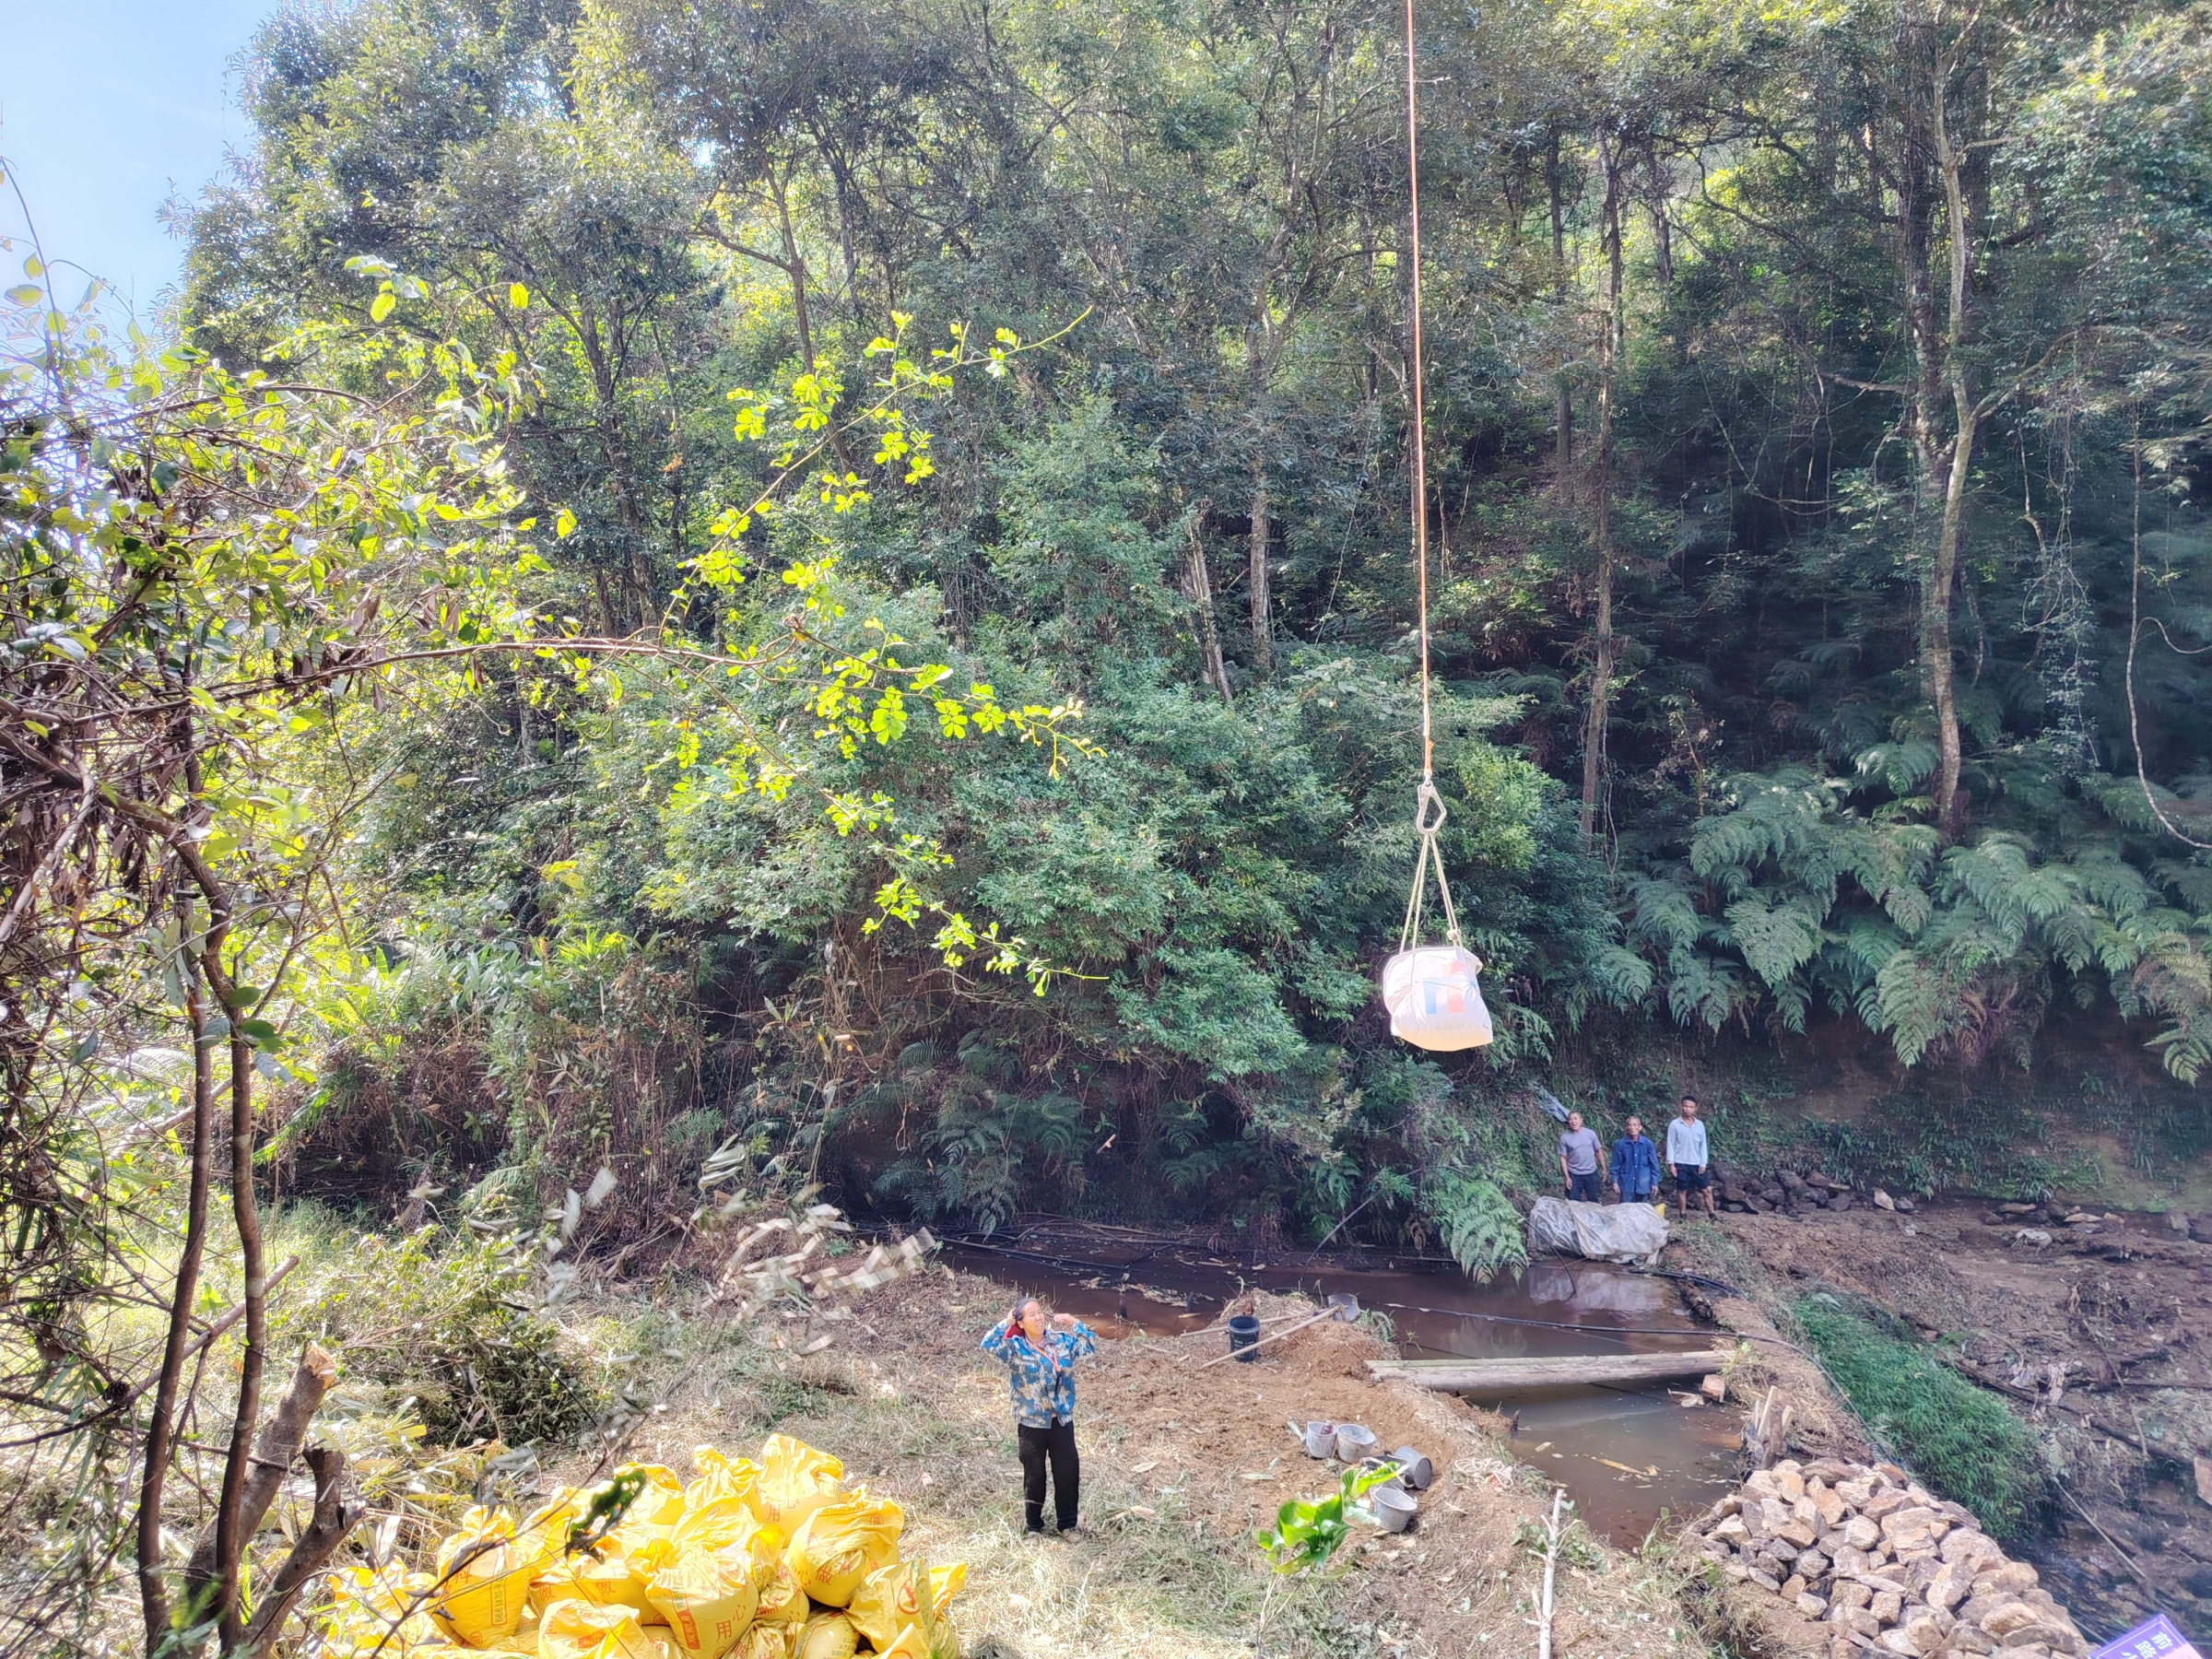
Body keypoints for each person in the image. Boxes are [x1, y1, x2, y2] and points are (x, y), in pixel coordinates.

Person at [979, 1297, 1099, 1536]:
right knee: (1035, 1476)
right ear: (1021, 1322)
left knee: (1067, 1473)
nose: (1038, 1317)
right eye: (1031, 1314)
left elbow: (1090, 1345)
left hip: (1061, 1420)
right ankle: (1034, 1527)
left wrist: (1074, 1322)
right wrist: (1007, 1321)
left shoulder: (1061, 1342)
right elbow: (987, 1344)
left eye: (1040, 1312)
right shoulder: (1014, 1348)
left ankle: (1067, 1525)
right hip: (1032, 1422)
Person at [1667, 1094, 1714, 1218]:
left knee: (1707, 1190)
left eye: (1691, 1107)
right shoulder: (1675, 1124)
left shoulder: (1699, 1125)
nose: (1688, 1109)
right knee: (1682, 1190)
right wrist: (1671, 1164)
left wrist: (1703, 1163)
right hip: (1680, 1162)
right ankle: (1682, 1215)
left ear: (1695, 1109)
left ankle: (1712, 1215)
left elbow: (1703, 1145)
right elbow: (1671, 1144)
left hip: (1696, 1163)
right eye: (1685, 1106)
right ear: (1681, 1106)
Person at [1611, 1116, 1662, 1205]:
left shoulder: (1648, 1144)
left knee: (1642, 1211)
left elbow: (1654, 1165)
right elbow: (1615, 1165)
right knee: (1626, 1211)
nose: (1632, 1128)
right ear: (1626, 1127)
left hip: (1643, 1184)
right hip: (1627, 1184)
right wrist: (1615, 1182)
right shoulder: (1620, 1144)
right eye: (1629, 1125)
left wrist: (1654, 1183)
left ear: (1640, 1127)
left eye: (1635, 1125)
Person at [1558, 1110, 1606, 1202]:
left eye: (1575, 1119)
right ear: (1568, 1122)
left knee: (1594, 1200)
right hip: (1574, 1174)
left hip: (1591, 1173)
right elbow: (1563, 1158)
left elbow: (1598, 1151)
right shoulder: (1564, 1138)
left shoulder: (1590, 1134)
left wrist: (1604, 1169)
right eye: (1570, 1119)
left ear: (1581, 1120)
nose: (1573, 1122)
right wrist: (1567, 1177)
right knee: (1573, 1201)